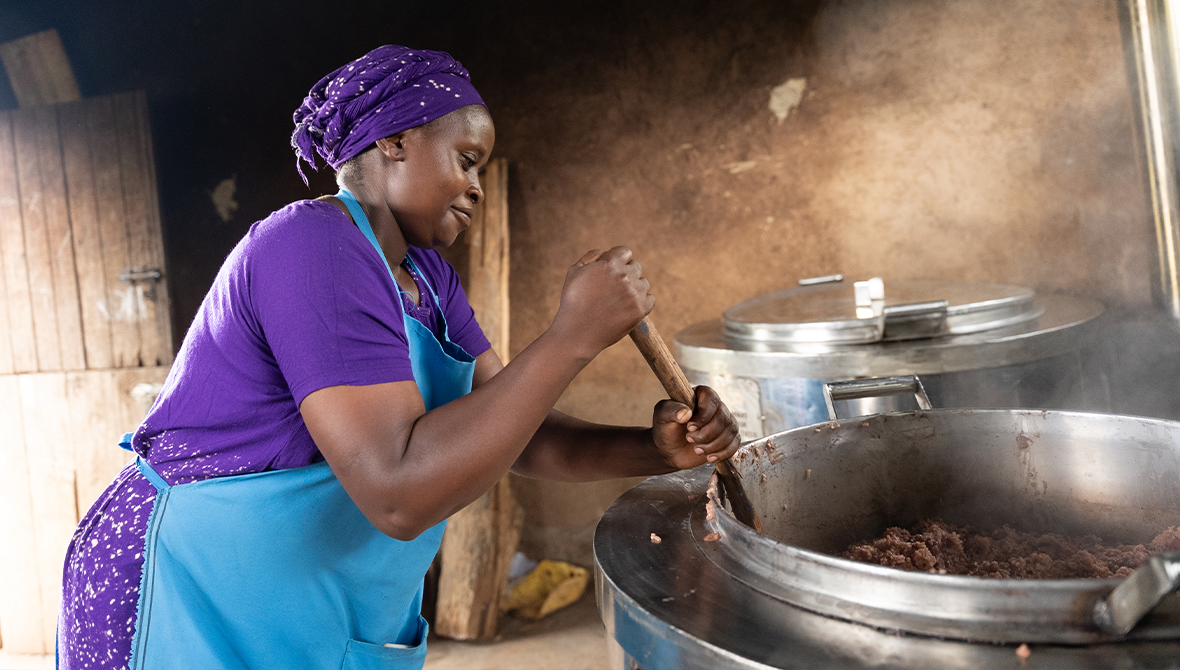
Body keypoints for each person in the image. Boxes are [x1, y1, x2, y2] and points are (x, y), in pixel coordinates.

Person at [58, 45, 740, 670]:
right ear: (394, 140)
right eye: (466, 159)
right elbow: (398, 493)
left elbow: (518, 436)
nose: (476, 185)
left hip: (304, 602)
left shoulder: (428, 280)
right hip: (197, 595)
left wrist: (654, 448)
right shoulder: (314, 245)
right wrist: (572, 336)